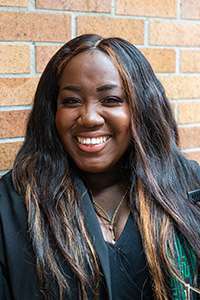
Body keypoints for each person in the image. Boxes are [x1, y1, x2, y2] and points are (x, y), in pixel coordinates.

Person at [0, 34, 200, 300]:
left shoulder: (189, 189)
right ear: (52, 112)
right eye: (71, 101)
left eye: (111, 100)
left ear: (143, 108)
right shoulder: (13, 205)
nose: (90, 118)